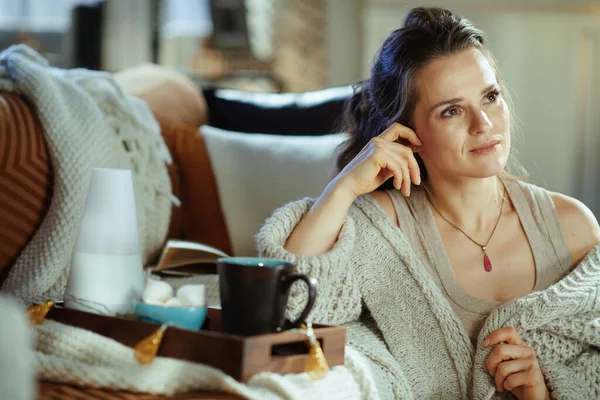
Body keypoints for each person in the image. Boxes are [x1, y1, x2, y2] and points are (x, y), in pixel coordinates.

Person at [257, 6, 600, 400]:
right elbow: (284, 308)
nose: (483, 124)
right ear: (406, 132)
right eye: (451, 110)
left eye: (490, 96)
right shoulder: (382, 230)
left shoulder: (572, 226)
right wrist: (346, 185)